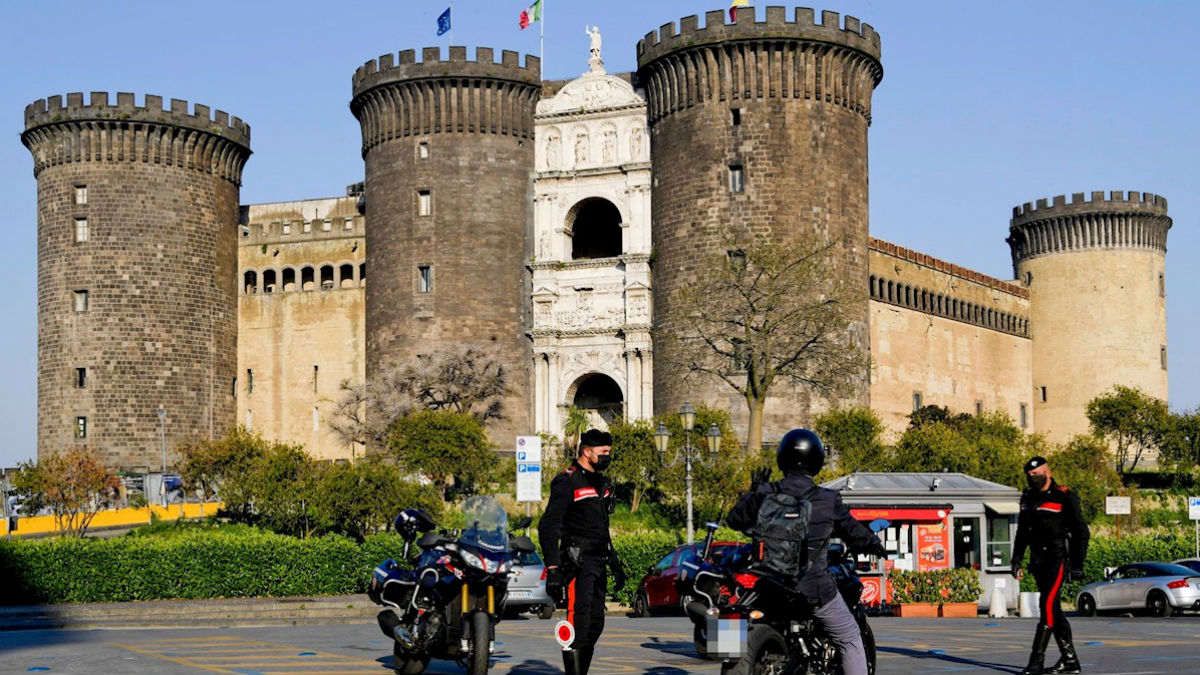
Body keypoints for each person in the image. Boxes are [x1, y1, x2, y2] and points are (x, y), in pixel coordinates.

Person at [726, 429, 885, 675]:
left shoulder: (766, 491)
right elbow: (855, 533)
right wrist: (874, 544)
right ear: (818, 461)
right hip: (811, 588)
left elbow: (734, 520)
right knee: (850, 636)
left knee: (733, 620)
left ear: (782, 459)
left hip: (767, 584)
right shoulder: (827, 498)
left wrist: (753, 493)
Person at [538, 428, 626, 675]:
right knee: (580, 621)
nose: (608, 456)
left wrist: (614, 560)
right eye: (604, 452)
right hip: (578, 562)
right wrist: (553, 568)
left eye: (609, 451)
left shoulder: (600, 481)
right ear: (587, 451)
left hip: (598, 561)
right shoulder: (568, 480)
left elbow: (601, 527)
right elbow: (548, 526)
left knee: (596, 623)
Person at [1011, 455, 1090, 675]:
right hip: (1037, 561)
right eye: (1029, 475)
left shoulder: (1063, 496)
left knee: (1046, 606)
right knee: (1053, 610)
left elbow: (1081, 532)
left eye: (1035, 475)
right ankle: (1070, 660)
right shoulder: (1027, 498)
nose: (1032, 478)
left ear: (1047, 472)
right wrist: (1016, 559)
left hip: (1057, 559)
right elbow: (1022, 533)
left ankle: (1036, 661)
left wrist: (1077, 564)